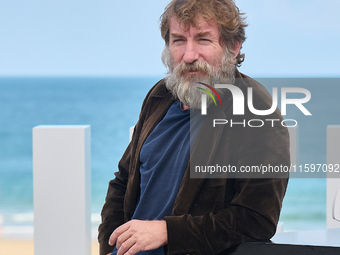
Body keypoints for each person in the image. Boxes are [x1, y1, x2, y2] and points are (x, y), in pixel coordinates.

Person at [98, 0, 290, 255]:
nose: (189, 56)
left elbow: (256, 220)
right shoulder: (159, 95)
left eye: (203, 40)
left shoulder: (257, 111)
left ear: (233, 47)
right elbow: (123, 181)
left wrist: (166, 231)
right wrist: (109, 245)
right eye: (178, 40)